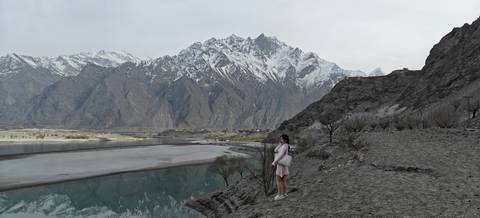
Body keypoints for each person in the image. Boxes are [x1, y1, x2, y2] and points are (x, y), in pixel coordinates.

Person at [272, 134, 290, 201]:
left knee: (278, 180)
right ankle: (284, 193)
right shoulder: (283, 145)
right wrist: (279, 144)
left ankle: (280, 195)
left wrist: (274, 162)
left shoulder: (285, 146)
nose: (281, 140)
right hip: (282, 164)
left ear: (285, 139)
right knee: (282, 180)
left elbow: (281, 155)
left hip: (280, 164)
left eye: (282, 139)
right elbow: (275, 150)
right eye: (280, 139)